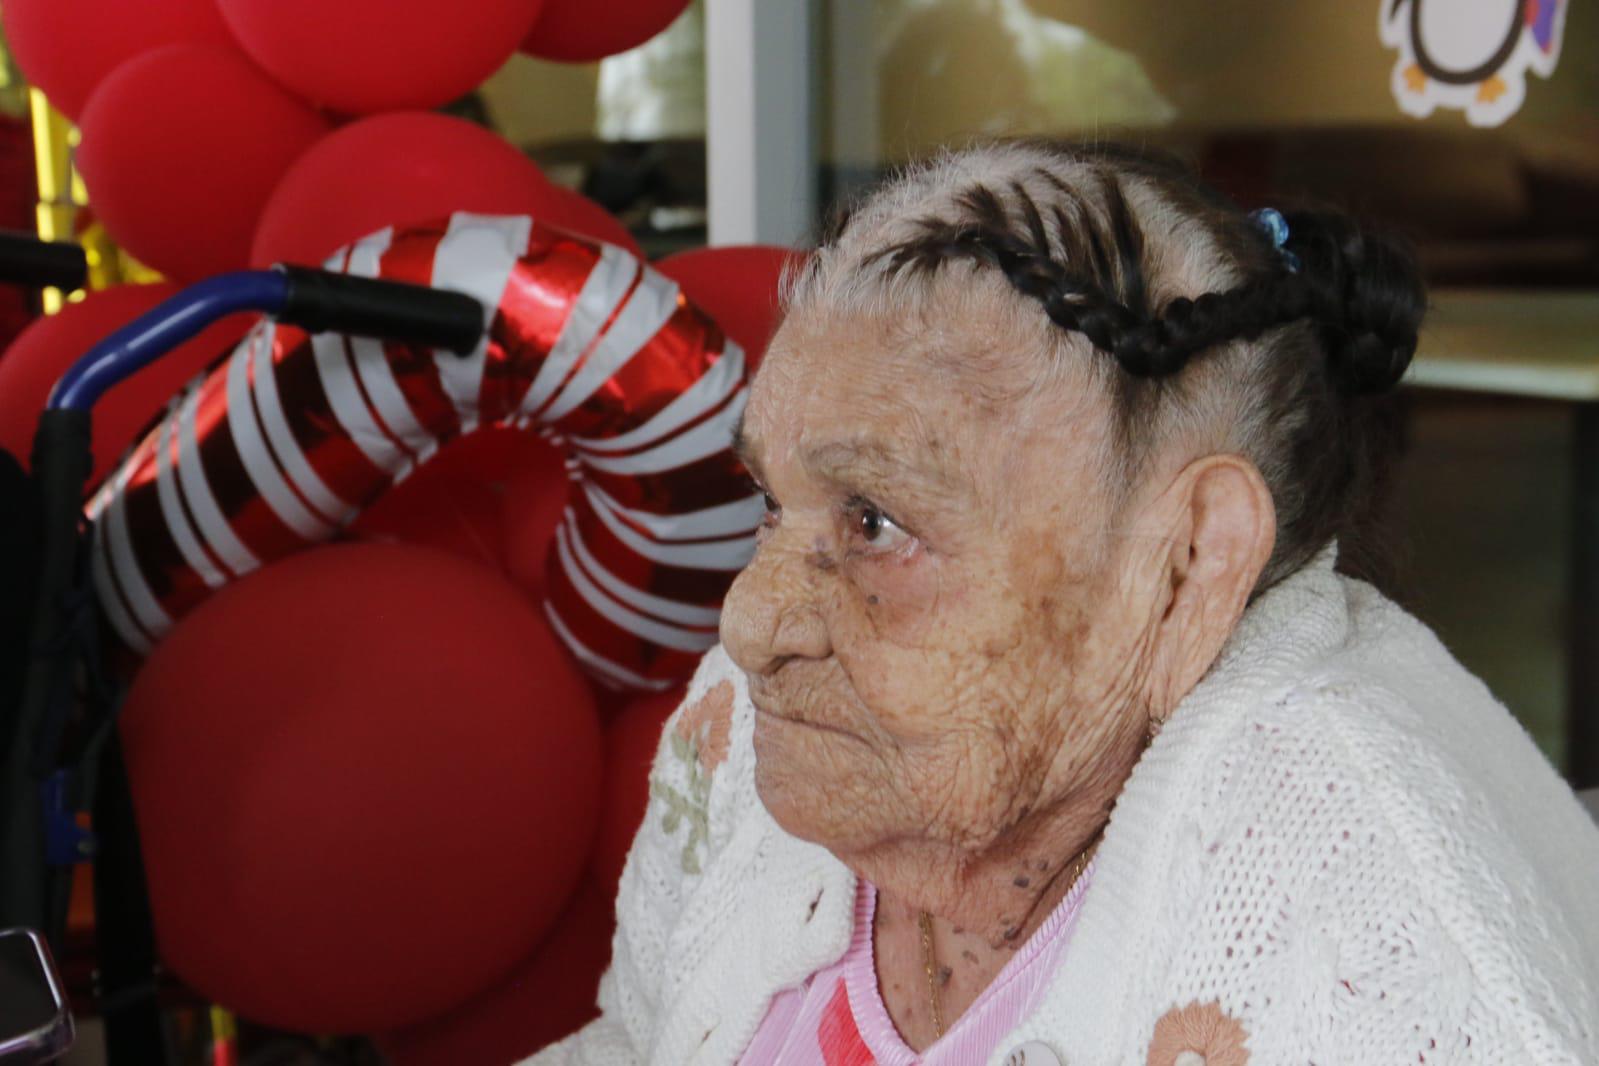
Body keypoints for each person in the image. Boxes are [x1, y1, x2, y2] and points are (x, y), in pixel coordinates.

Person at [526, 142, 1599, 1065]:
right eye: (771, 499)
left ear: (1186, 565)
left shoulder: (1374, 933)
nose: (748, 627)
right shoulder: (765, 736)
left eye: (875, 523)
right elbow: (644, 1036)